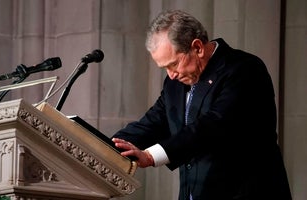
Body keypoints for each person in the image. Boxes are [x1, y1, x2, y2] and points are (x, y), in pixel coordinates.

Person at [111, 10, 291, 200]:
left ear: (197, 47)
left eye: (173, 64)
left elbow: (213, 125)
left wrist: (151, 156)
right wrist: (107, 147)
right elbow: (154, 120)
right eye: (164, 68)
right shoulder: (174, 82)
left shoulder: (245, 68)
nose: (170, 74)